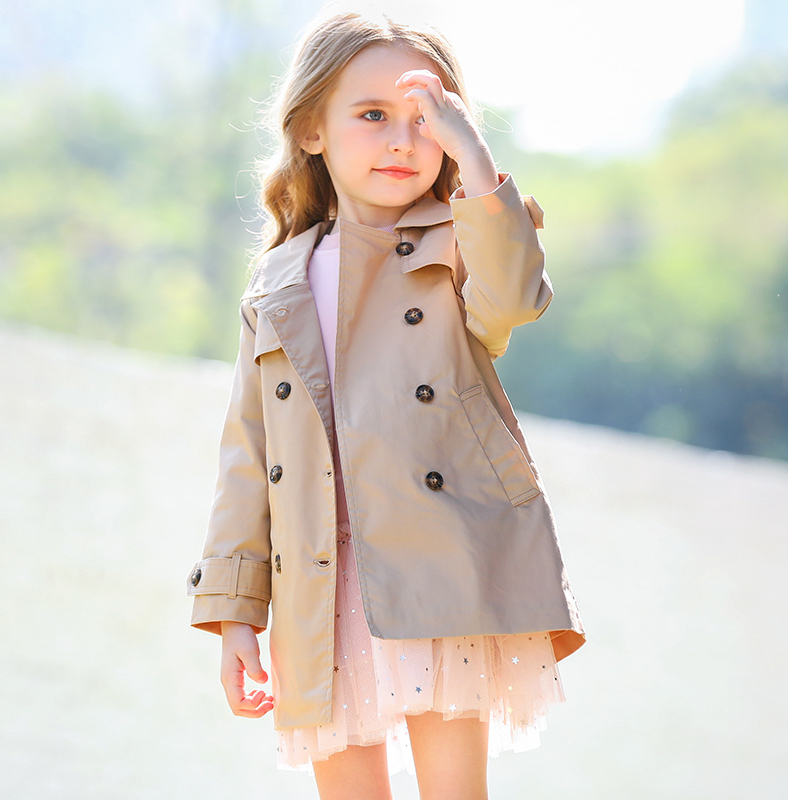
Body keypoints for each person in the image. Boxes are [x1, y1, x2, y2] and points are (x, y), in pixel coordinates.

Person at [187, 10, 585, 800]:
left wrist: (473, 156)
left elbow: (515, 298)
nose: (403, 141)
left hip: (439, 558)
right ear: (311, 129)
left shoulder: (463, 241)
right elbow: (248, 459)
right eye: (372, 115)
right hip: (317, 580)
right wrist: (235, 614)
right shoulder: (275, 284)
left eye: (426, 119)